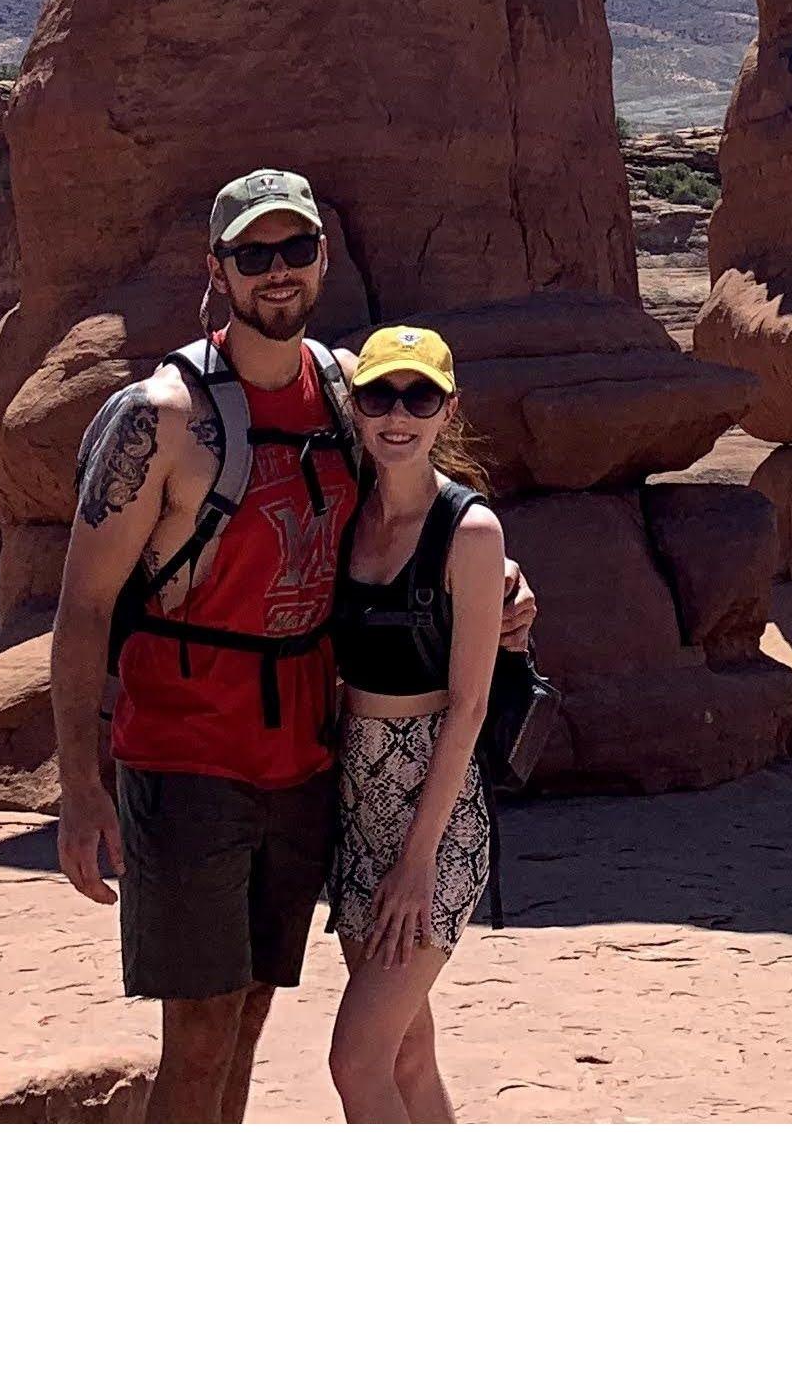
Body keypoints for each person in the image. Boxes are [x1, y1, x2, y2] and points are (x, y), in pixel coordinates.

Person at [49, 168, 525, 1123]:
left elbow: (420, 500)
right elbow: (82, 610)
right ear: (216, 270)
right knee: (198, 1031)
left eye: (294, 250)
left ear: (321, 259)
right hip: (185, 755)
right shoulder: (162, 417)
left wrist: (502, 583)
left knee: (254, 1010)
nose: (277, 273)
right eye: (252, 255)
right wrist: (81, 786)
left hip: (304, 758)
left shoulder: (348, 393)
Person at [321, 324, 505, 1124]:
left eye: (419, 396)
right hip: (355, 810)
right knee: (404, 1053)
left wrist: (418, 862)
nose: (398, 415)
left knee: (355, 1061)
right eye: (379, 396)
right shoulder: (344, 518)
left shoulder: (470, 532)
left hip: (435, 816)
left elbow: (469, 707)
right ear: (356, 409)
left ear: (447, 409)